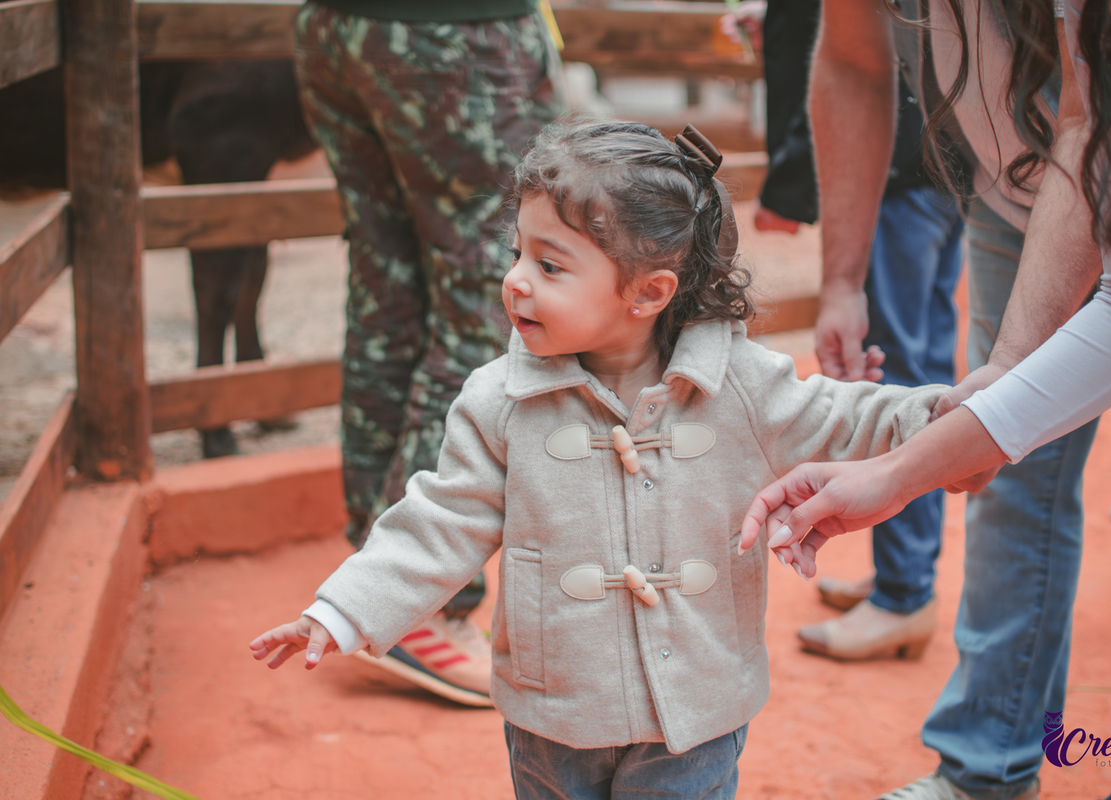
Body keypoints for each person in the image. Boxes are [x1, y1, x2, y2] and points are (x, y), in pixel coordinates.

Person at [249, 119, 950, 798]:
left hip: (695, 712)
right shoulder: (500, 400)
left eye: (550, 265)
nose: (518, 280)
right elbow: (440, 519)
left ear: (649, 293)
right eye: (519, 253)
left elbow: (843, 416)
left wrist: (953, 418)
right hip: (555, 714)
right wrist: (343, 612)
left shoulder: (738, 384)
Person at [740, 1, 1111, 799]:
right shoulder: (1082, 97)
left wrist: (903, 471)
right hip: (1024, 190)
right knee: (1009, 467)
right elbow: (854, 59)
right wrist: (846, 284)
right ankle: (985, 764)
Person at [292, 0, 562, 705]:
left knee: (388, 283)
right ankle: (419, 598)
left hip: (337, 25)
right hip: (453, 31)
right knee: (489, 296)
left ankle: (377, 566)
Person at [727, 0, 966, 659]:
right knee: (924, 360)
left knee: (898, 370)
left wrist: (787, 186)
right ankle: (902, 575)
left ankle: (904, 592)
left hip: (893, 170)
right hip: (947, 160)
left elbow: (832, 51)